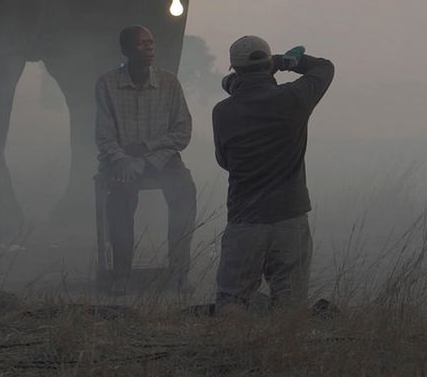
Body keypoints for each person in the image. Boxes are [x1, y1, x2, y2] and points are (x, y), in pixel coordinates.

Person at [212, 36, 334, 311]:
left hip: (245, 219)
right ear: (268, 65)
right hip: (290, 217)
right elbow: (325, 68)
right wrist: (284, 62)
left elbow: (224, 160)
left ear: (234, 68)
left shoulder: (222, 112)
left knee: (232, 303)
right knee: (290, 307)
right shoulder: (293, 98)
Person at [94, 25, 197, 294]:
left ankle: (179, 273)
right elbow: (104, 137)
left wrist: (147, 153)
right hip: (121, 161)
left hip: (163, 160)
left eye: (151, 43)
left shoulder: (169, 82)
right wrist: (125, 160)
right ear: (126, 50)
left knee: (185, 192)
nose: (149, 48)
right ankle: (121, 273)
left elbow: (182, 132)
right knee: (119, 200)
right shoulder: (107, 83)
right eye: (141, 44)